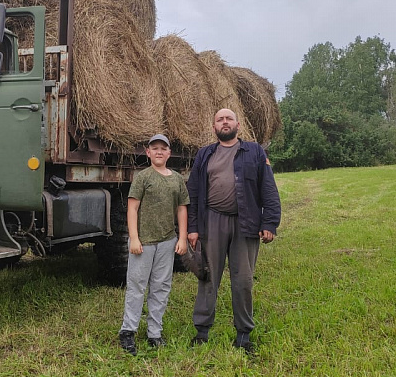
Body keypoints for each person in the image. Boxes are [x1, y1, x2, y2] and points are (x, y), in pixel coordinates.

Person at [187, 108, 281, 354]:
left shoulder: (254, 152)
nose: (224, 122)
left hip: (246, 223)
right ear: (213, 127)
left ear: (238, 125)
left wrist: (269, 223)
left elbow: (268, 188)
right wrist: (193, 228)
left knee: (243, 280)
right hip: (212, 222)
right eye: (220, 119)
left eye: (229, 118)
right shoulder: (204, 154)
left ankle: (243, 335)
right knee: (208, 277)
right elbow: (193, 193)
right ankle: (202, 331)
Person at [118, 134, 190, 355]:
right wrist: (135, 237)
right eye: (154, 148)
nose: (159, 152)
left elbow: (181, 209)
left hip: (167, 241)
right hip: (144, 242)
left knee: (161, 286)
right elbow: (132, 209)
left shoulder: (176, 179)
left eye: (163, 148)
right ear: (147, 152)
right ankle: (128, 330)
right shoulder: (143, 177)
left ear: (169, 153)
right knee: (137, 285)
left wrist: (183, 237)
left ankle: (154, 332)